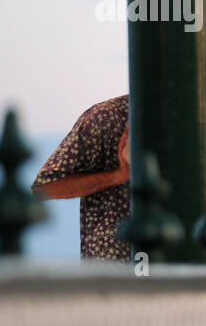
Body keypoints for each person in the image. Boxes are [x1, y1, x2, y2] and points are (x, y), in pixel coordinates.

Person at [32, 95, 131, 261]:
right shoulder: (105, 118)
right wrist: (117, 176)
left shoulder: (188, 121)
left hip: (178, 269)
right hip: (113, 274)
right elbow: (45, 187)